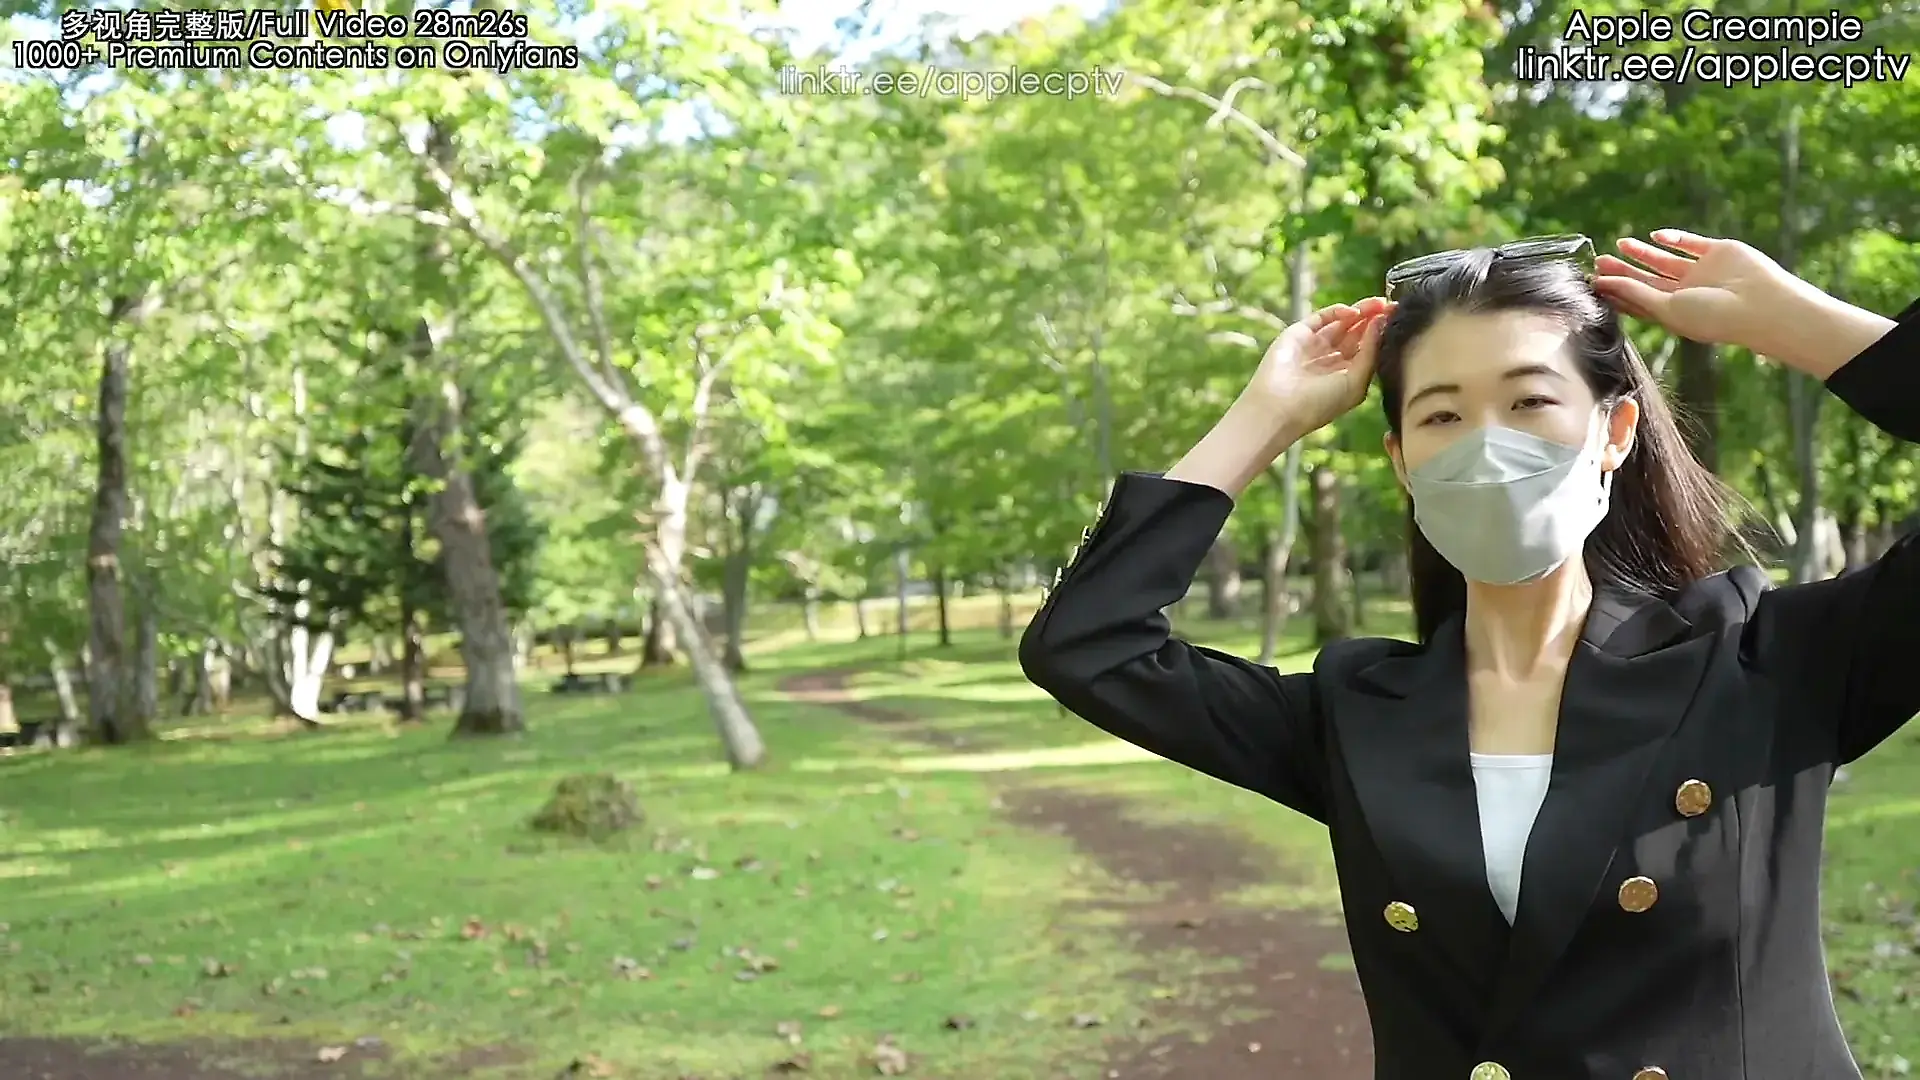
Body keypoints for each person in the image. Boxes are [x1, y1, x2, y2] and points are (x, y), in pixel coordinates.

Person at [1018, 228, 1920, 1080]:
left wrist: (1801, 324)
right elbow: (1087, 644)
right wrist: (1267, 417)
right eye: (1442, 415)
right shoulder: (1357, 714)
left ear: (1615, 431)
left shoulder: (1764, 662)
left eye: (1530, 401)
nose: (1488, 446)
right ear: (1402, 461)